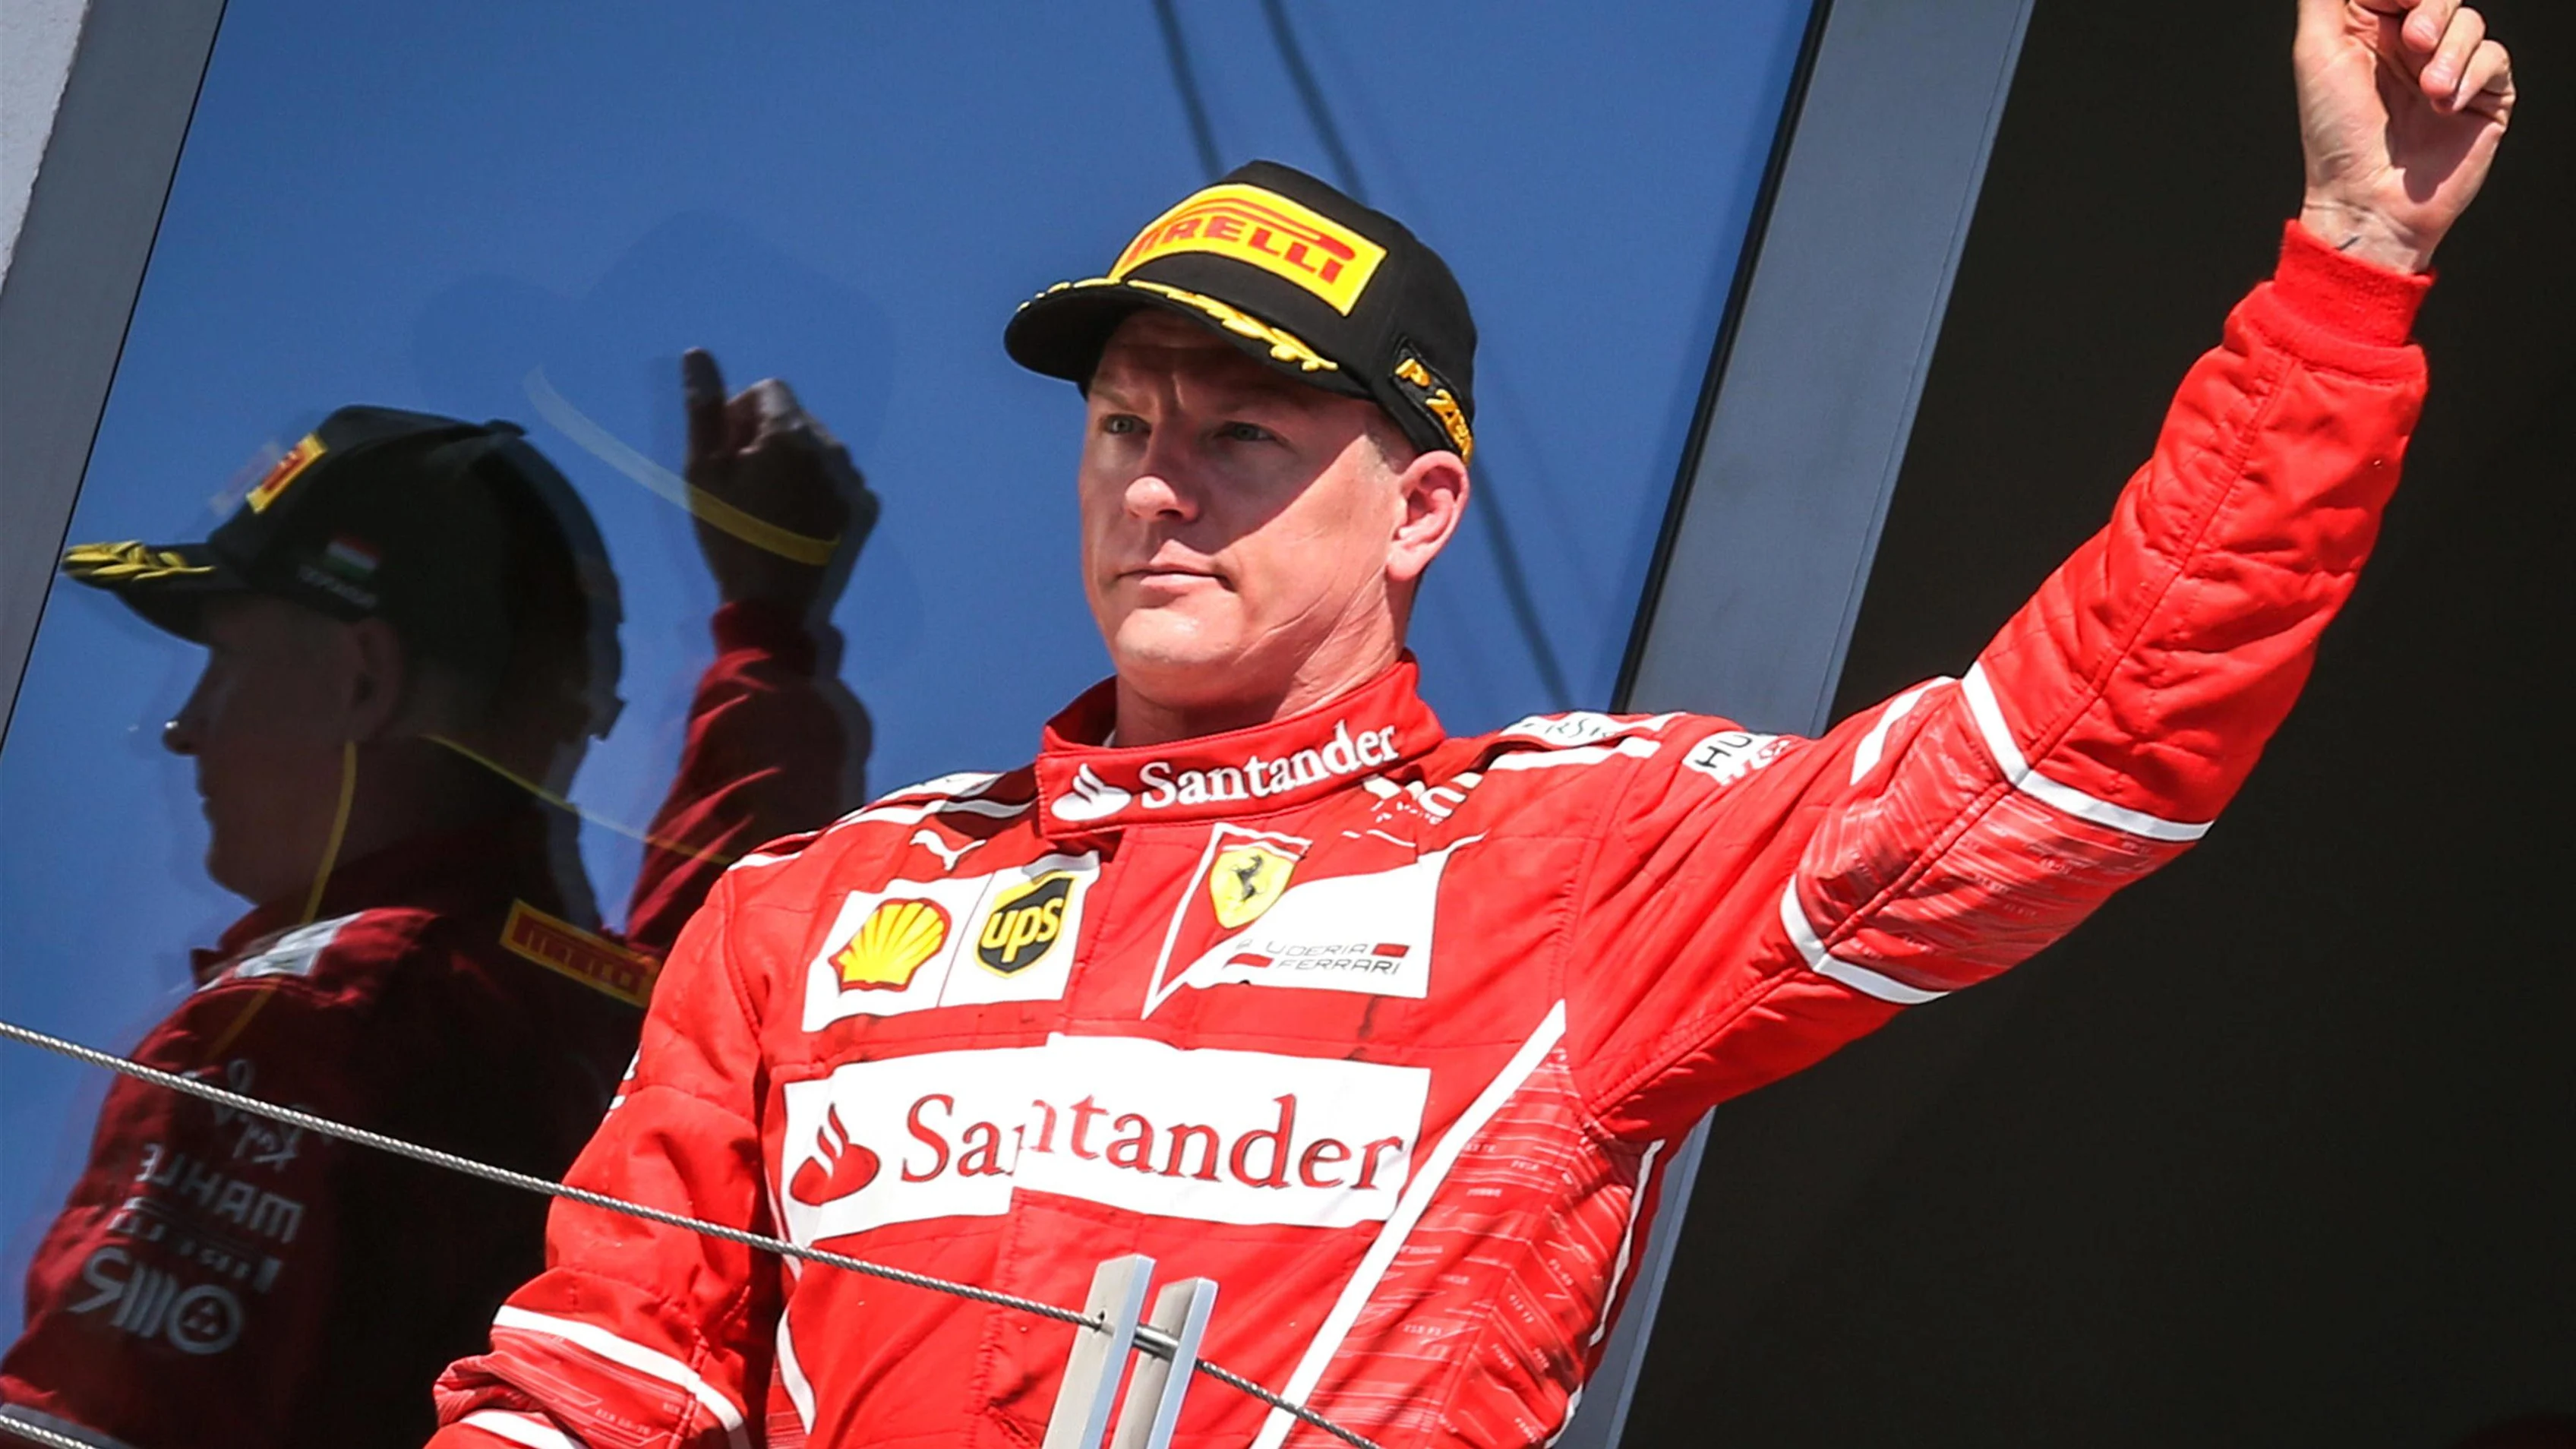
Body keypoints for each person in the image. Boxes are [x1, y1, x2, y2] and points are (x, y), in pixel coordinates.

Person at [427, 4, 2515, 1446]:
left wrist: (2349, 272)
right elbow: (594, 1386)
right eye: (1125, 426)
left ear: (1422, 508)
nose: (1159, 487)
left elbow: (2075, 757)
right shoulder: (818, 909)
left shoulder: (1574, 863)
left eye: (1243, 437)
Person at [0, 356, 872, 1448]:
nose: (185, 727)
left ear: (362, 680)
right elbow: (742, 904)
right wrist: (767, 628)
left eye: (224, 665)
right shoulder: (623, 1017)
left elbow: (90, 1428)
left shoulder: (306, 1020)